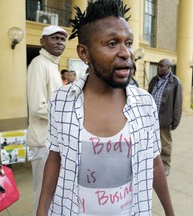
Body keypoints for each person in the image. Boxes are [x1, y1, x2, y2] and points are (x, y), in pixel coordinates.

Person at [37, 1, 174, 215]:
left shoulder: (145, 104)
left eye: (128, 43)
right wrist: (42, 209)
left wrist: (170, 212)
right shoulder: (61, 101)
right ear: (84, 53)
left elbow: (154, 162)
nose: (126, 53)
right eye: (112, 43)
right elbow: (54, 158)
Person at [26, 24, 68, 215]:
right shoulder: (38, 63)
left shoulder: (51, 64)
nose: (60, 42)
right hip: (42, 141)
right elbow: (37, 107)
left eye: (62, 39)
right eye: (54, 38)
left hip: (52, 141)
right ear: (42, 42)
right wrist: (67, 112)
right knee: (43, 192)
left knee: (52, 192)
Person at [148, 58, 183, 177]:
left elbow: (177, 103)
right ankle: (153, 161)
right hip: (152, 117)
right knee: (152, 140)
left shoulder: (175, 82)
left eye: (162, 66)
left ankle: (166, 164)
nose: (159, 68)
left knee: (165, 142)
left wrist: (175, 121)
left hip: (164, 118)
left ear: (169, 68)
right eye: (158, 66)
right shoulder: (154, 80)